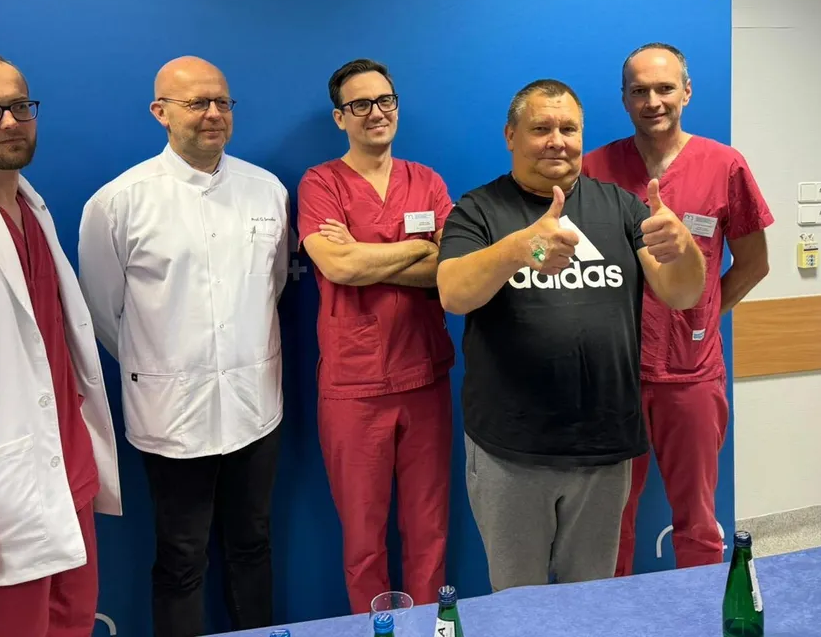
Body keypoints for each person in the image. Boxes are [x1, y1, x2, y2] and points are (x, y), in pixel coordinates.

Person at [435, 77, 706, 592]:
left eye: (569, 129)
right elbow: (453, 292)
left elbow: (682, 292)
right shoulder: (479, 209)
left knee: (591, 601)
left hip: (604, 446)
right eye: (541, 128)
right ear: (510, 135)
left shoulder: (622, 207)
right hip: (511, 449)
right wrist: (519, 249)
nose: (556, 140)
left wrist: (684, 248)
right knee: (519, 605)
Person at [78, 56, 289, 637]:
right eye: (196, 103)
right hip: (172, 411)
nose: (213, 113)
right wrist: (167, 364)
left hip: (254, 404)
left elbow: (271, 285)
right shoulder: (119, 202)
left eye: (222, 102)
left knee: (253, 544)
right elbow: (104, 312)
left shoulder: (266, 191)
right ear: (161, 112)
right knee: (180, 556)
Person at [0, 49, 122, 637]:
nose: (10, 122)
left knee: (73, 625)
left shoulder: (30, 205)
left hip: (65, 475)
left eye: (20, 106)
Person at [583, 42, 773, 574]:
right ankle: (612, 614)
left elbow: (754, 264)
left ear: (686, 92)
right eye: (639, 91)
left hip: (691, 376)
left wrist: (701, 317)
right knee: (609, 522)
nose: (653, 102)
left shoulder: (724, 166)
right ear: (624, 99)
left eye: (665, 88)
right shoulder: (593, 169)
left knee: (698, 520)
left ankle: (706, 609)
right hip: (616, 374)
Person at [297, 58, 455, 614]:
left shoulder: (427, 181)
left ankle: (431, 626)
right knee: (364, 538)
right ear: (340, 118)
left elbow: (448, 268)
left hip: (425, 377)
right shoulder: (320, 183)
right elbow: (339, 267)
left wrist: (367, 255)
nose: (376, 113)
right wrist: (417, 248)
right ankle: (377, 629)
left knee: (429, 528)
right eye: (360, 104)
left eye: (385, 100)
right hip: (355, 386)